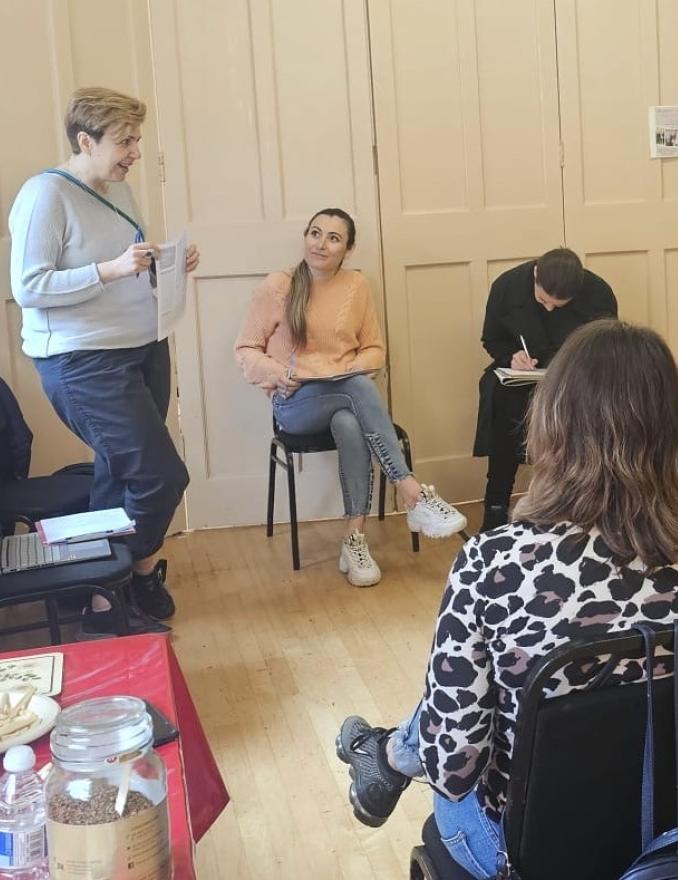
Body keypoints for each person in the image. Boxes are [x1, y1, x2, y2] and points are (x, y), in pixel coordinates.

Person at [334, 321, 678, 877]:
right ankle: (387, 755)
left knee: (462, 722)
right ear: (672, 428)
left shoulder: (493, 564)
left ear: (552, 425)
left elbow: (453, 767)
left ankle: (389, 756)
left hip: (535, 857)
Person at [6, 87, 201, 635]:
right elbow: (30, 286)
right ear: (85, 141)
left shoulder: (119, 190)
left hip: (142, 347)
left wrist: (167, 263)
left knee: (121, 474)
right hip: (83, 362)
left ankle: (112, 592)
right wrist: (112, 270)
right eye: (125, 141)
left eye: (137, 139)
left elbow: (128, 264)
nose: (136, 151)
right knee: (160, 475)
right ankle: (106, 585)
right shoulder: (46, 195)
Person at [235, 208, 467, 586]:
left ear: (348, 248)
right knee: (357, 388)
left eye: (333, 238)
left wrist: (344, 371)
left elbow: (374, 349)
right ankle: (412, 492)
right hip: (294, 403)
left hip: (343, 395)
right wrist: (280, 374)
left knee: (349, 416)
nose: (320, 244)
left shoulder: (357, 287)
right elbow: (246, 348)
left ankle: (353, 540)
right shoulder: (280, 285)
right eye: (315, 233)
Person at [473, 248, 616, 531]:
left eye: (558, 305)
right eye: (542, 300)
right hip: (522, 375)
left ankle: (580, 501)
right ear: (535, 274)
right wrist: (511, 356)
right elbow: (492, 339)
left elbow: (605, 348)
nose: (549, 308)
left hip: (575, 378)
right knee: (502, 400)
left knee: (590, 409)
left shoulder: (599, 293)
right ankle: (496, 504)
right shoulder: (507, 286)